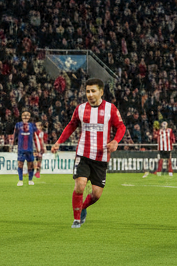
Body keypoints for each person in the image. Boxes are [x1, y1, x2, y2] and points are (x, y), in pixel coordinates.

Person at [50, 78, 125, 229]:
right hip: (83, 154)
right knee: (80, 186)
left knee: (96, 195)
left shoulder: (110, 109)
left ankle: (83, 207)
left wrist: (116, 141)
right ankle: (76, 219)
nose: (90, 94)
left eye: (93, 91)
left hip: (101, 157)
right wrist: (59, 142)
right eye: (87, 91)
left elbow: (121, 127)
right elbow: (71, 126)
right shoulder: (80, 109)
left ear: (101, 92)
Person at [12, 109, 41, 186]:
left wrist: (38, 148)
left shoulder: (32, 125)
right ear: (21, 116)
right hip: (21, 148)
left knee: (30, 165)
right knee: (20, 164)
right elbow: (15, 135)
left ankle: (30, 180)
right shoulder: (18, 125)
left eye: (27, 115)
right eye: (24, 115)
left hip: (30, 148)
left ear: (29, 117)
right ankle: (20, 180)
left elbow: (35, 137)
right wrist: (13, 144)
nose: (25, 116)